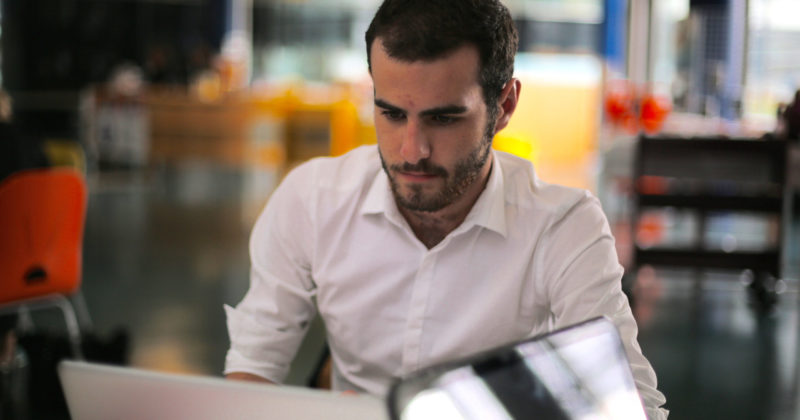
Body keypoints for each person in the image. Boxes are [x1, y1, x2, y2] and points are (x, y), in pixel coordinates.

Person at [224, 0, 668, 418]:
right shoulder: (312, 198)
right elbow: (252, 369)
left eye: (444, 118)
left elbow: (631, 402)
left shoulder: (562, 226)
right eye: (392, 114)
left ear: (504, 105)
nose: (412, 151)